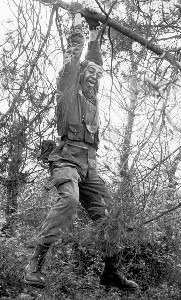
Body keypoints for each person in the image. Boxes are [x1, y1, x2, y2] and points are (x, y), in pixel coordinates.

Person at [23, 4, 138, 292]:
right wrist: (76, 18)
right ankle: (34, 264)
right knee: (70, 200)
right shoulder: (67, 88)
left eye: (98, 76)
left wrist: (94, 30)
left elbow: (95, 60)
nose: (94, 77)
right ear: (78, 74)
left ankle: (111, 272)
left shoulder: (93, 99)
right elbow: (76, 56)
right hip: (66, 161)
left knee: (109, 215)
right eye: (89, 73)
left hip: (89, 166)